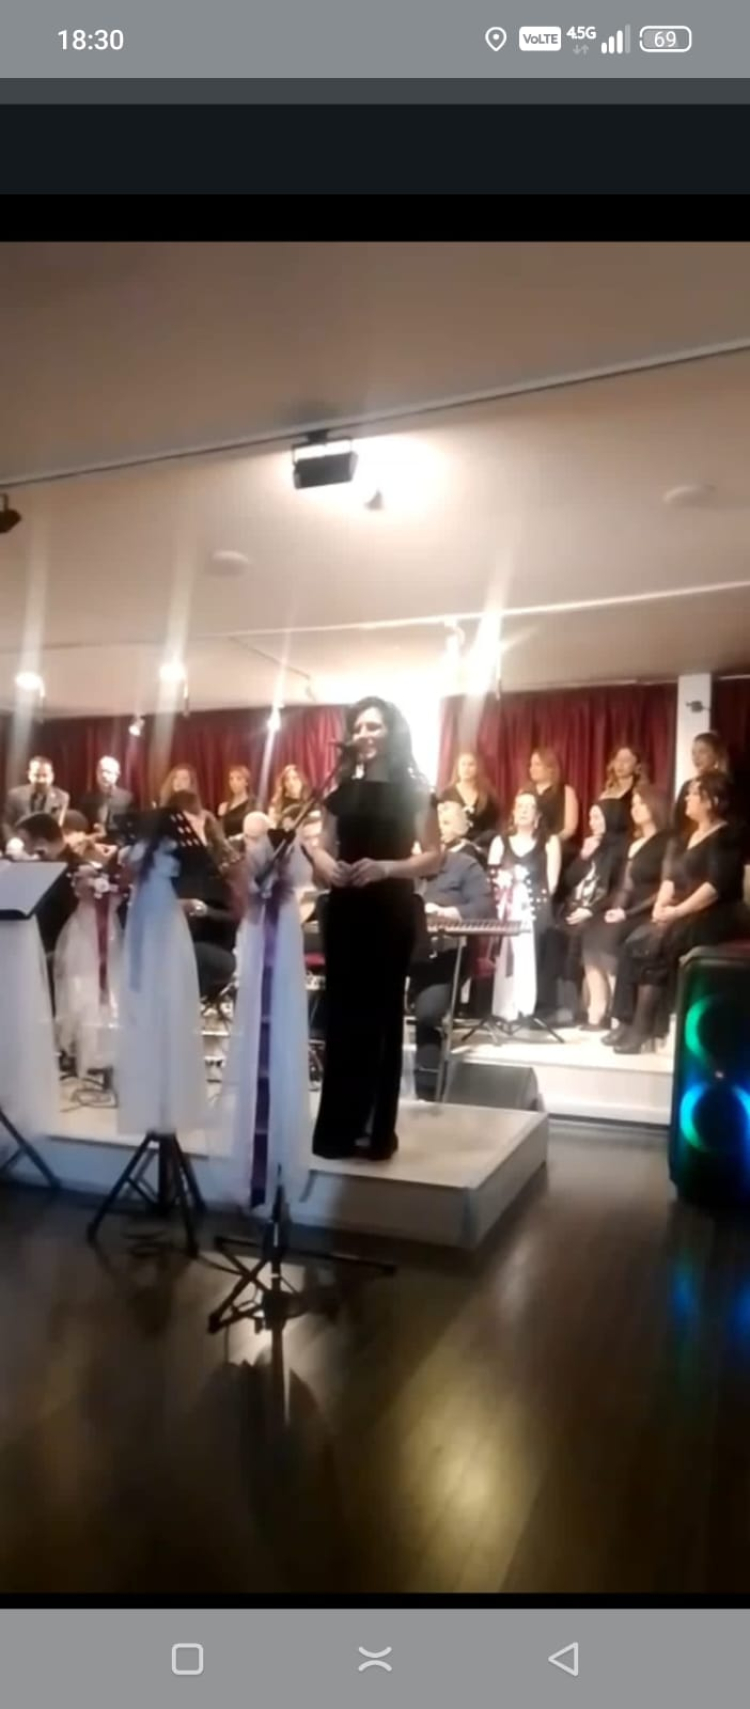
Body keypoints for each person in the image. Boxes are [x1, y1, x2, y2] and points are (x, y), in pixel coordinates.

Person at [310, 697, 440, 1161]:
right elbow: (322, 846)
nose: (364, 734)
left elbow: (434, 855)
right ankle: (337, 1131)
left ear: (392, 732)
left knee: (380, 1016)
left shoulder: (415, 792)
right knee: (343, 1016)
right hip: (346, 908)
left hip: (389, 909)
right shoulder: (342, 791)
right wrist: (327, 865)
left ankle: (373, 1131)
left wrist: (387, 868)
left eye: (374, 726)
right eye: (358, 727)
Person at [606, 773, 749, 1055]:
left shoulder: (726, 837)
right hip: (681, 909)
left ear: (712, 801)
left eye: (694, 794)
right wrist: (660, 907)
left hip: (717, 912)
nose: (687, 799)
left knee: (659, 943)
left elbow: (713, 888)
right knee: (634, 941)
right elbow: (670, 879)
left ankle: (644, 1028)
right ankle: (625, 1021)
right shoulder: (686, 837)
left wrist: (677, 912)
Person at [221, 815, 311, 1212]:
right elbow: (246, 893)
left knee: (281, 1017)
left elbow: (303, 880)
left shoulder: (294, 859)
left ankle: (279, 1151)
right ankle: (254, 1159)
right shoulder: (252, 863)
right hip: (260, 929)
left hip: (282, 928)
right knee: (257, 1007)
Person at [116, 808, 208, 1136]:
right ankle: (157, 1088)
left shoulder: (157, 850)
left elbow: (133, 878)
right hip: (152, 918)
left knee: (160, 991)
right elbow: (128, 878)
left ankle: (164, 1089)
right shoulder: (151, 850)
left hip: (157, 918)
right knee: (155, 992)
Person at [409, 800, 494, 1100]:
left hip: (444, 953)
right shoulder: (407, 864)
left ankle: (427, 1090)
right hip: (402, 948)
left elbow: (484, 907)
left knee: (429, 1014)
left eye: (442, 825)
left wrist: (447, 913)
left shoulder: (465, 866)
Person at [582, 785, 671, 1031]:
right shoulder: (635, 844)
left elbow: (666, 886)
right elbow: (625, 888)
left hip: (651, 908)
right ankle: (598, 1007)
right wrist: (616, 910)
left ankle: (619, 1013)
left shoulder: (667, 841)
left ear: (655, 806)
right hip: (630, 908)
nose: (636, 809)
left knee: (612, 935)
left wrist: (627, 913)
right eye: (633, 805)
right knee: (594, 929)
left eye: (641, 803)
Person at [543, 800, 627, 1025]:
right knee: (557, 938)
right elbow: (569, 881)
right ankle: (583, 1008)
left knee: (592, 938)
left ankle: (611, 1012)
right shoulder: (591, 847)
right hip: (578, 909)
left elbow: (619, 888)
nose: (592, 823)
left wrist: (591, 910)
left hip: (605, 911)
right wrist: (583, 856)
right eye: (590, 818)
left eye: (598, 817)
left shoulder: (622, 849)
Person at [488, 788, 562, 1022]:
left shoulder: (550, 842)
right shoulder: (500, 842)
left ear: (538, 815)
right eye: (519, 806)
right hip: (505, 907)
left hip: (535, 908)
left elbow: (551, 883)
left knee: (535, 945)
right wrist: (506, 889)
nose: (523, 811)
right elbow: (492, 878)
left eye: (529, 807)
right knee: (504, 950)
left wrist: (528, 904)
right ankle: (505, 1005)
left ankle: (530, 1007)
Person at [165, 790, 236, 1002]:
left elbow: (236, 917)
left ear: (201, 821)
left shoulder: (224, 863)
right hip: (176, 943)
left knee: (184, 954)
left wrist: (202, 909)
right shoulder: (172, 864)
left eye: (188, 824)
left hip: (217, 949)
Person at [673, 730, 731, 837]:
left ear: (716, 754)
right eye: (693, 753)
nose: (696, 758)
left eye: (702, 752)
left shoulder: (725, 785)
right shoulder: (687, 786)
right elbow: (678, 821)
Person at [440, 752, 500, 848]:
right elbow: (440, 824)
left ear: (478, 768)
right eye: (463, 764)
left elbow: (493, 827)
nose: (466, 768)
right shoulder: (447, 794)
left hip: (481, 847)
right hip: (453, 846)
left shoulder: (487, 795)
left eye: (471, 764)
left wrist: (475, 844)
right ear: (457, 768)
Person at [529, 748, 579, 846]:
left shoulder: (566, 791)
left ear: (550, 768)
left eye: (537, 764)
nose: (532, 769)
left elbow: (570, 828)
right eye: (531, 765)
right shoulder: (524, 792)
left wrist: (552, 843)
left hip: (557, 846)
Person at [5, 757, 69, 830]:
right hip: (19, 836)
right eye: (36, 775)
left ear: (52, 776)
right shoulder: (14, 795)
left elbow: (58, 826)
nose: (41, 780)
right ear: (29, 775)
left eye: (45, 775)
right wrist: (13, 837)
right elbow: (6, 824)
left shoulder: (62, 797)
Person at [79, 755, 133, 839]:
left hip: (117, 843)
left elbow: (131, 828)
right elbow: (81, 826)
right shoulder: (87, 798)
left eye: (108, 772)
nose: (104, 775)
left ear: (117, 775)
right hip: (91, 842)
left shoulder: (127, 798)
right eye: (100, 771)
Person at [600, 746, 647, 837]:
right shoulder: (605, 794)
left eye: (626, 760)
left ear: (637, 766)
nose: (620, 764)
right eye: (617, 759)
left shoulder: (640, 794)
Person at [268, 764, 312, 831]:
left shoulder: (310, 803)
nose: (291, 783)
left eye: (295, 778)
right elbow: (271, 827)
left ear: (302, 780)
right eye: (287, 780)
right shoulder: (276, 803)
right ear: (283, 784)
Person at [217, 765, 255, 840]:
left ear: (246, 782)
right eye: (231, 779)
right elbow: (220, 832)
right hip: (227, 844)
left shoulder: (254, 804)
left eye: (239, 778)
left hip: (246, 844)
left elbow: (256, 830)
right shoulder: (224, 806)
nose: (234, 782)